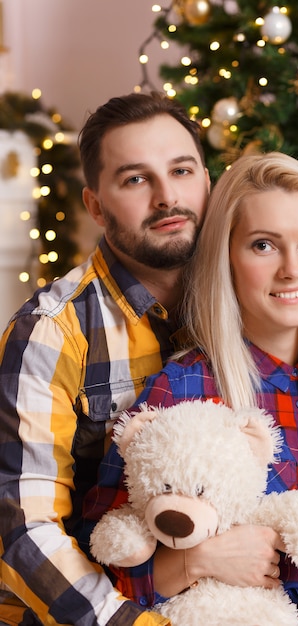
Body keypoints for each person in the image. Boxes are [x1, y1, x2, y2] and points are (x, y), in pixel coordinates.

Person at [81, 152, 298, 626]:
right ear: (225, 255)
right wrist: (194, 561)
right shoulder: (183, 388)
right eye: (264, 246)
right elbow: (102, 561)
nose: (293, 270)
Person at [0, 91, 210, 626]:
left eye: (182, 170)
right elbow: (25, 532)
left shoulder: (243, 302)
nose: (168, 197)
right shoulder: (51, 333)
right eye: (136, 179)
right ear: (95, 205)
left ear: (207, 180)